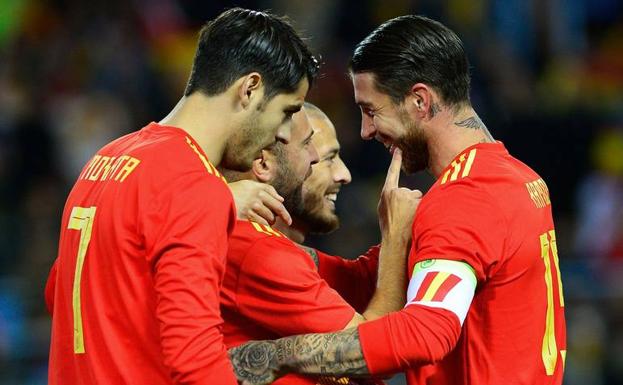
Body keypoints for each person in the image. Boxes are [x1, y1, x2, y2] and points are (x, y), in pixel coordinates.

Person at [228, 15, 566, 385]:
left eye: (372, 111)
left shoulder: (465, 199)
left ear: (420, 100)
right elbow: (367, 280)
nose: (366, 131)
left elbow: (425, 333)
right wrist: (252, 251)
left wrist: (277, 357)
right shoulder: (515, 177)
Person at [46, 8, 318, 385]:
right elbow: (196, 363)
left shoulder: (109, 157)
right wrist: (209, 201)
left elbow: (57, 292)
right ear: (250, 88)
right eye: (286, 111)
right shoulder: (191, 184)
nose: (284, 133)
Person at [220, 104, 420, 385]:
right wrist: (396, 237)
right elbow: (374, 350)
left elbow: (358, 279)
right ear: (264, 163)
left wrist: (417, 226)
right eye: (321, 156)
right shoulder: (254, 249)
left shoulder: (272, 248)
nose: (344, 174)